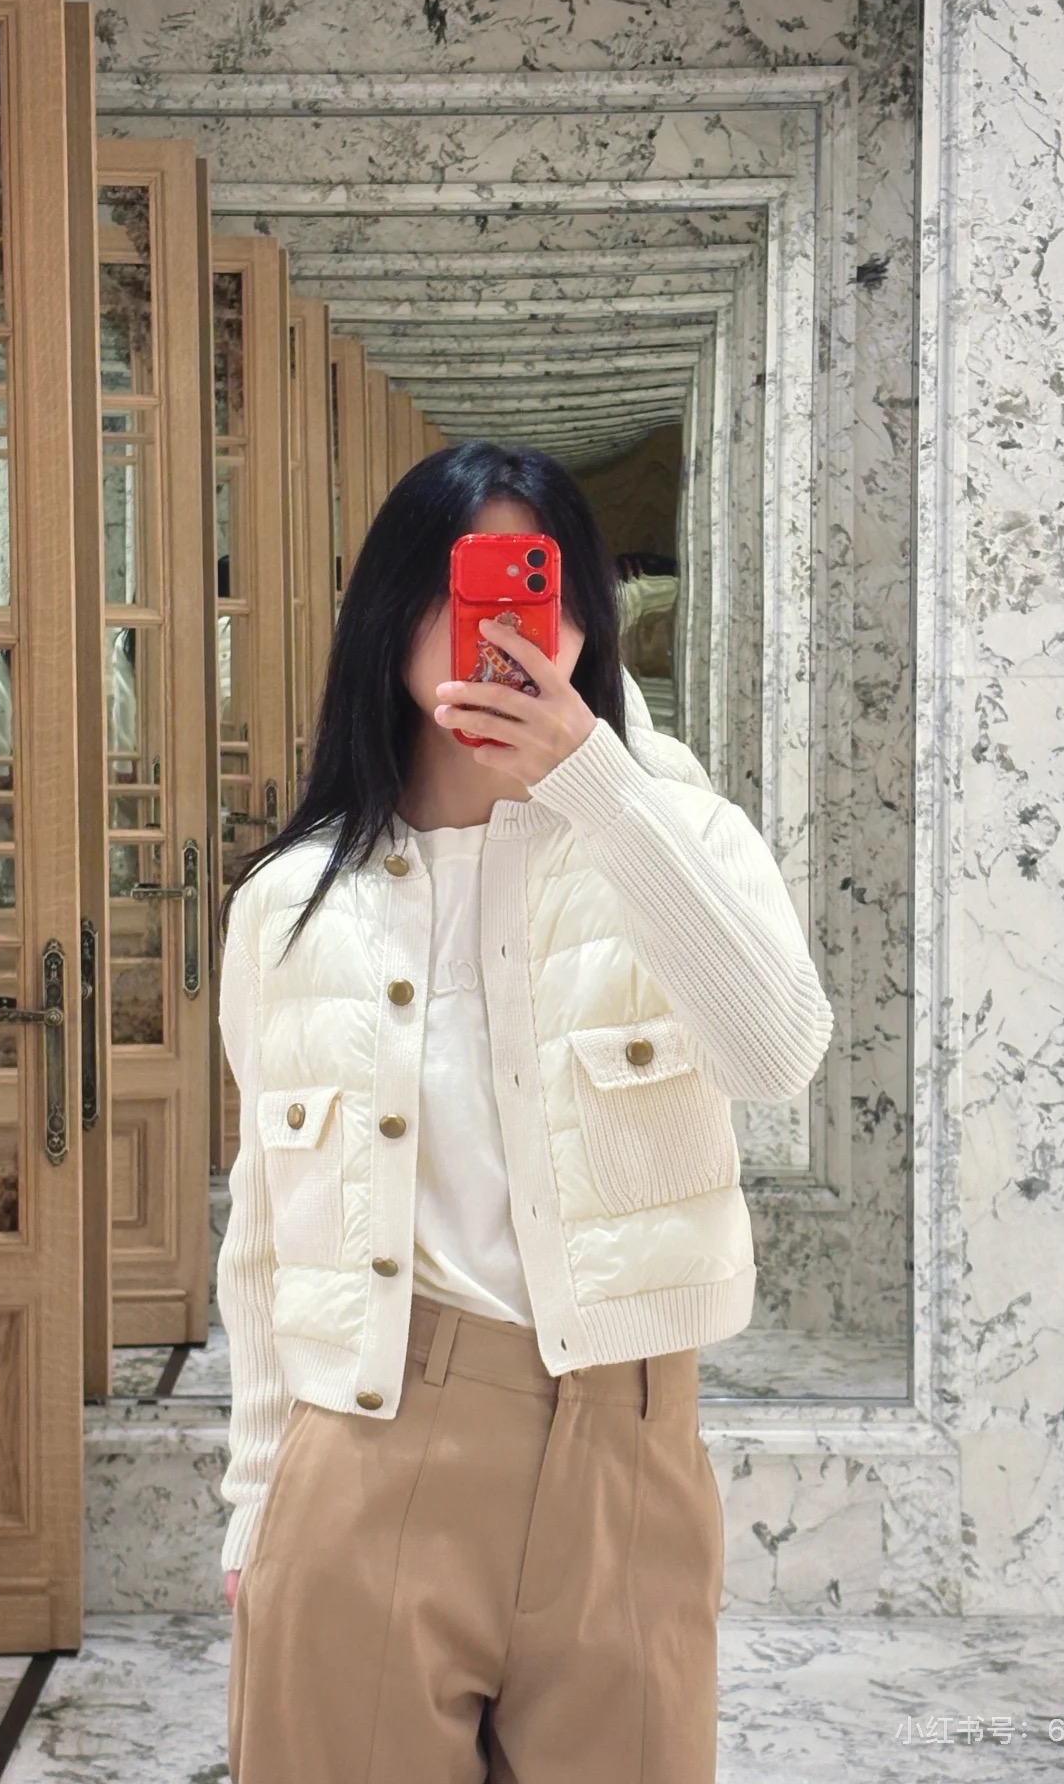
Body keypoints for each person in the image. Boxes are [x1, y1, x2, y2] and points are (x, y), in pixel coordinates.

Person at [215, 440, 834, 1784]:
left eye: (527, 588)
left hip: (627, 1459)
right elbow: (266, 1230)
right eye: (457, 588)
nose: (492, 628)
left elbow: (776, 1053)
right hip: (367, 1448)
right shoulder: (289, 907)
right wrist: (257, 1499)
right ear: (389, 616)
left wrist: (595, 780)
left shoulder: (680, 840)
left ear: (582, 621)